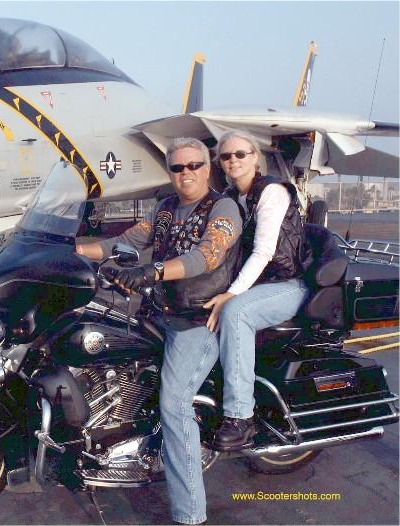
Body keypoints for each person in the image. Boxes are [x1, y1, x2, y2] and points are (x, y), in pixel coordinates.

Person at [77, 138, 242, 525]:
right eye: (177, 168)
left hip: (198, 321)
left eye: (194, 165)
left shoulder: (222, 208)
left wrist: (154, 271)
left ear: (208, 167)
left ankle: (191, 515)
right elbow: (125, 241)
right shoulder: (166, 209)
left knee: (174, 405)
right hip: (159, 313)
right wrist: (71, 251)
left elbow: (208, 255)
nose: (186, 173)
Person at [203, 130, 312, 452]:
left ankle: (240, 418)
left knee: (235, 313)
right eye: (226, 156)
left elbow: (264, 251)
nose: (233, 160)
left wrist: (231, 294)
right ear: (220, 163)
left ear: (255, 157)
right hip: (257, 284)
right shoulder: (229, 196)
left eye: (241, 154)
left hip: (286, 283)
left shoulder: (272, 192)